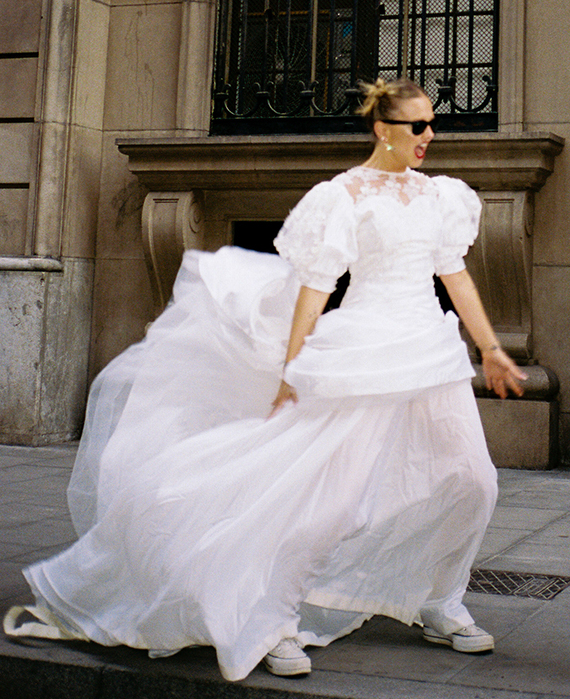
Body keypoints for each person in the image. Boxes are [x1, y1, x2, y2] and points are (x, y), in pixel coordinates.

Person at [4, 77, 527, 682]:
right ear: (383, 129)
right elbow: (316, 287)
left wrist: (491, 349)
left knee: (472, 481)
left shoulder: (442, 196)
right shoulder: (342, 196)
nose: (429, 134)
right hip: (362, 353)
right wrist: (292, 368)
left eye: (432, 123)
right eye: (418, 125)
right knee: (327, 505)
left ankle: (440, 601)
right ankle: (274, 619)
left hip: (429, 352)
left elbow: (454, 274)